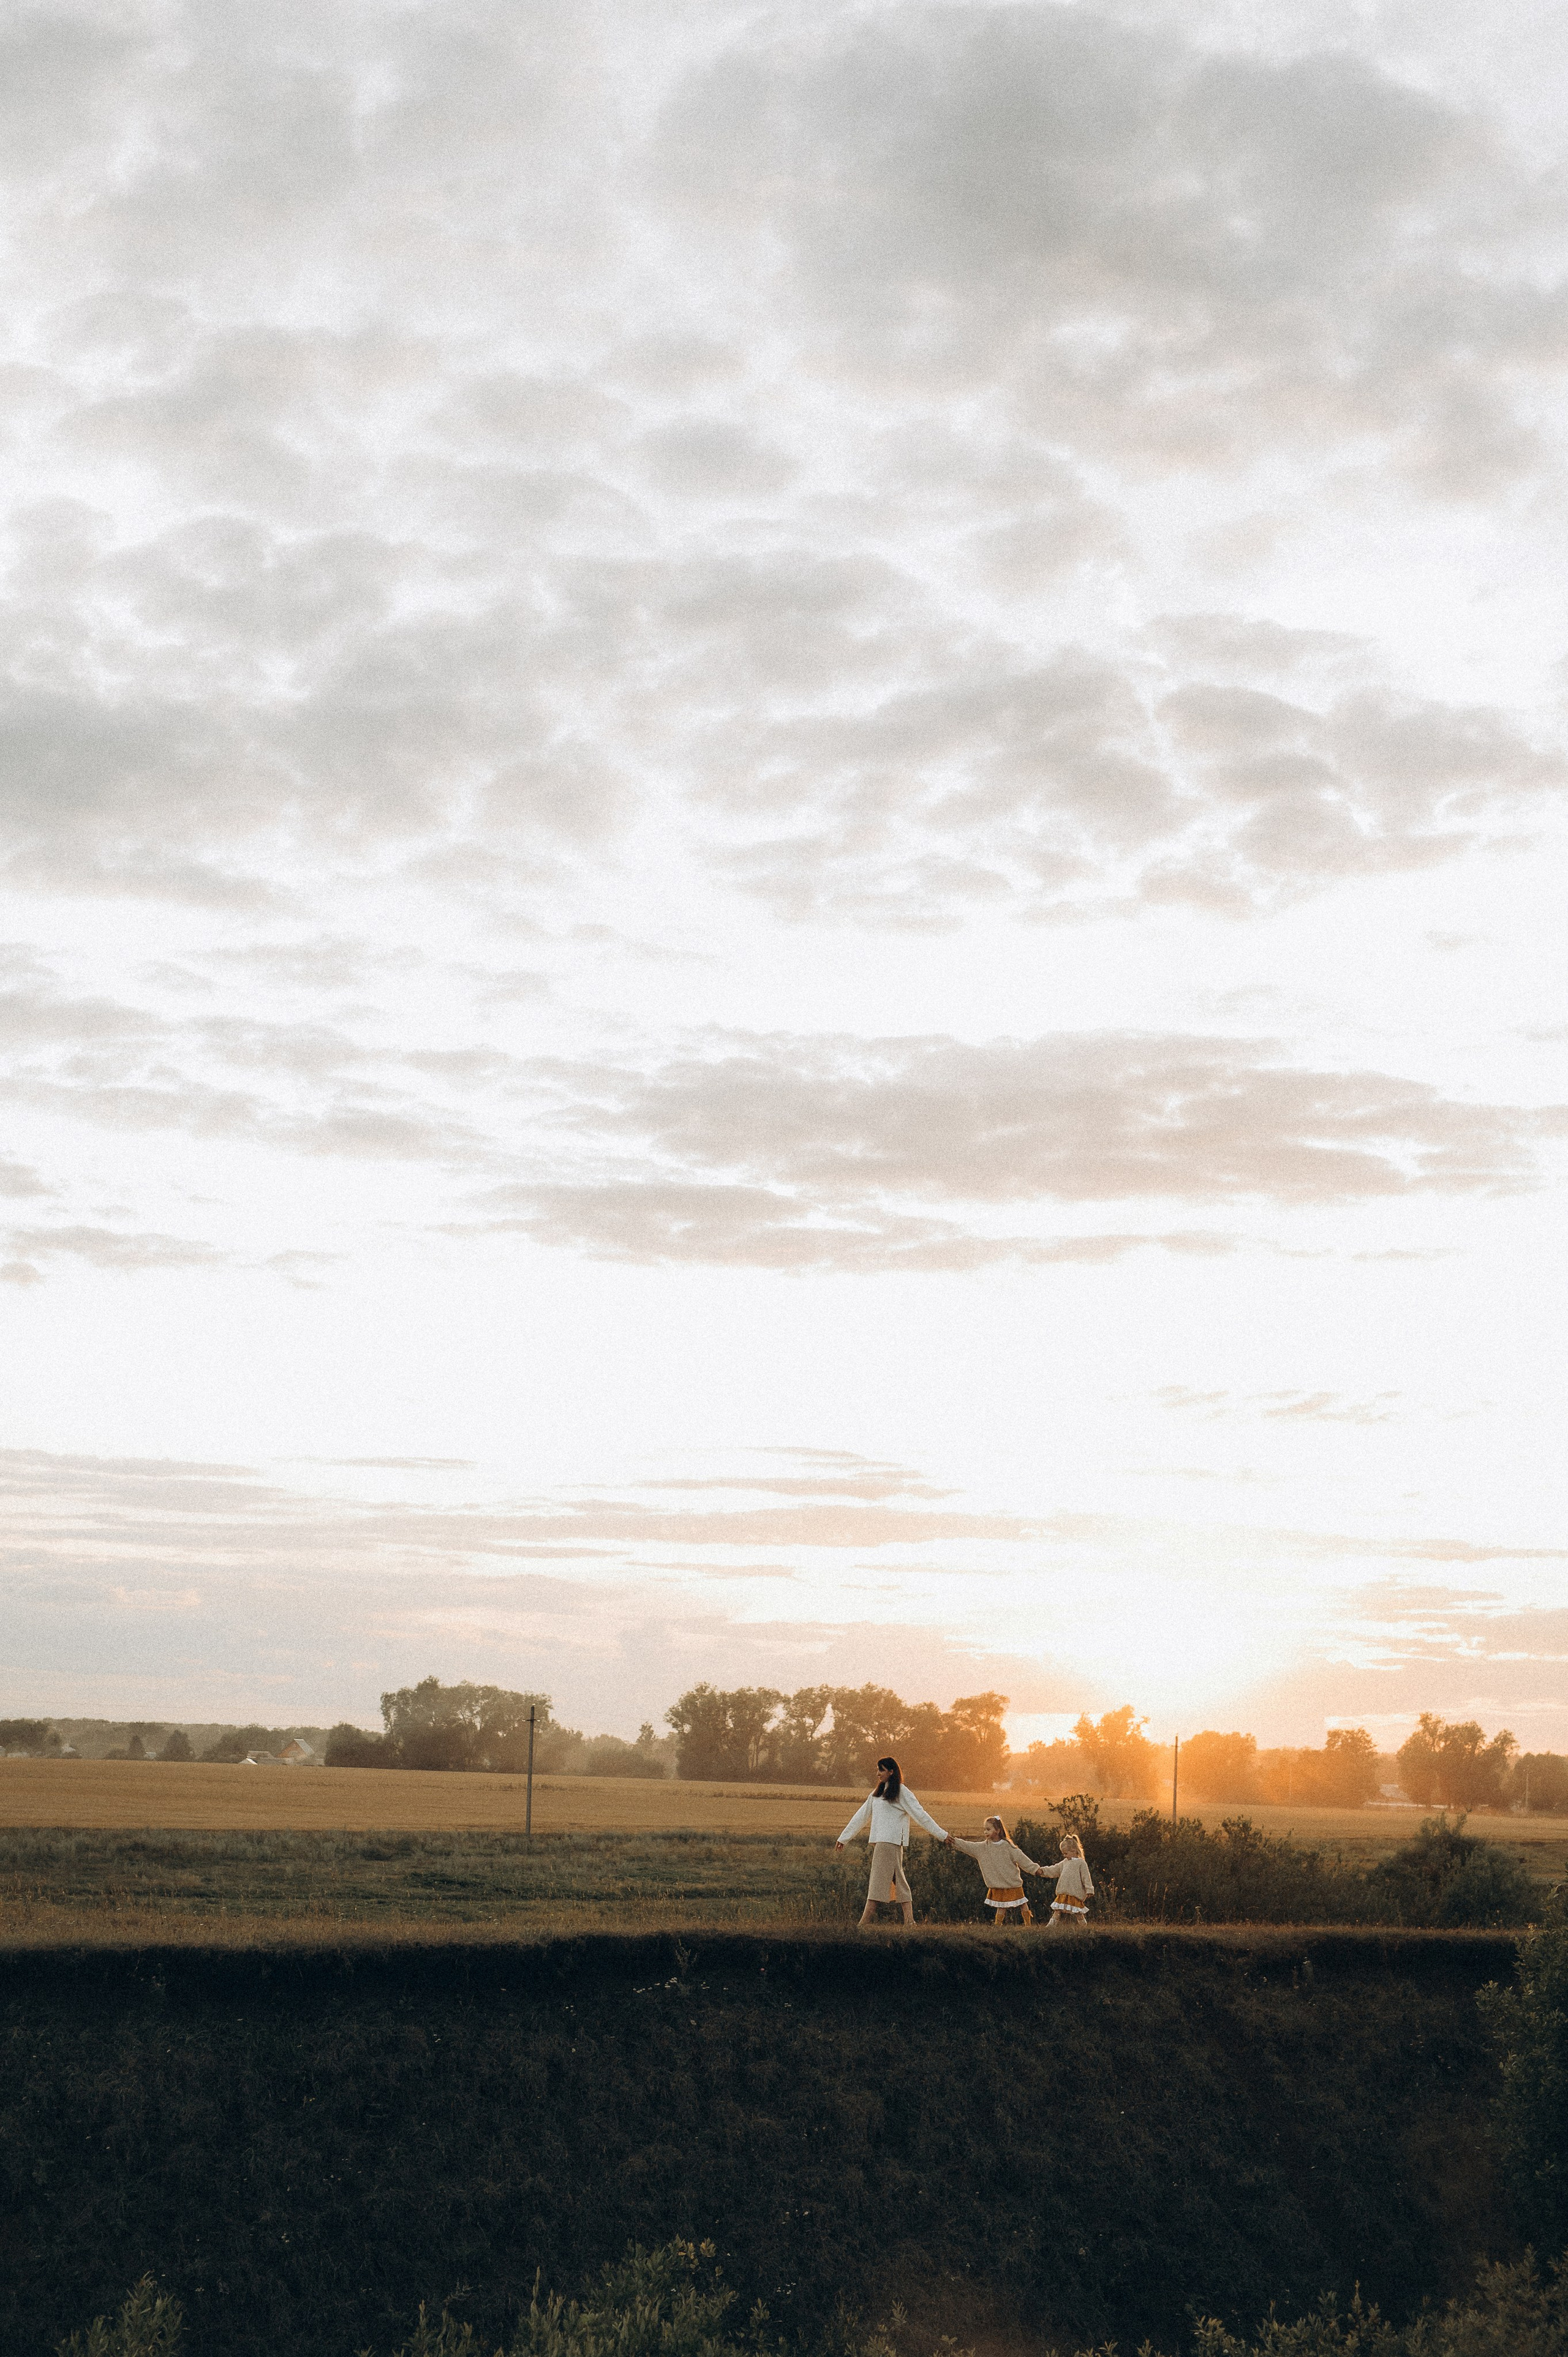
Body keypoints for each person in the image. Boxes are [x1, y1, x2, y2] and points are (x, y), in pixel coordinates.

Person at [835, 1754, 949, 1927]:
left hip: (891, 1842)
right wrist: (844, 1838)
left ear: (891, 1771)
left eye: (881, 1770)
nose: (878, 1774)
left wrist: (942, 1835)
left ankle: (863, 1925)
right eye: (878, 1770)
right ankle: (910, 1922)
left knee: (877, 1883)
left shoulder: (902, 1792)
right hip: (882, 1843)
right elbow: (861, 1816)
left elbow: (921, 1815)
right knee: (898, 1881)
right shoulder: (877, 1794)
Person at [950, 1814, 1047, 1925]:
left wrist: (1036, 1870)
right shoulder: (983, 1848)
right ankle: (997, 1925)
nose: (985, 1832)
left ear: (998, 1830)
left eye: (988, 1829)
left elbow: (1023, 1860)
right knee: (1001, 1905)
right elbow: (968, 1846)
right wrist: (954, 1842)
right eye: (984, 1829)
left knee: (1022, 1903)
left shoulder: (1008, 1847)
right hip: (998, 1884)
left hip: (1013, 1883)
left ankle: (1028, 1925)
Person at [1036, 1830, 1094, 1929]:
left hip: (1075, 1893)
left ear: (1074, 1850)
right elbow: (1054, 1869)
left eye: (1066, 1853)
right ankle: (1049, 1928)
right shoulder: (1064, 1863)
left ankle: (1085, 1928)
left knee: (1078, 1913)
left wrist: (1089, 1890)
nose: (1064, 1855)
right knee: (1057, 1911)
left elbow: (1086, 1877)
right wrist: (1042, 1871)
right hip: (1064, 1893)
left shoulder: (1081, 1863)